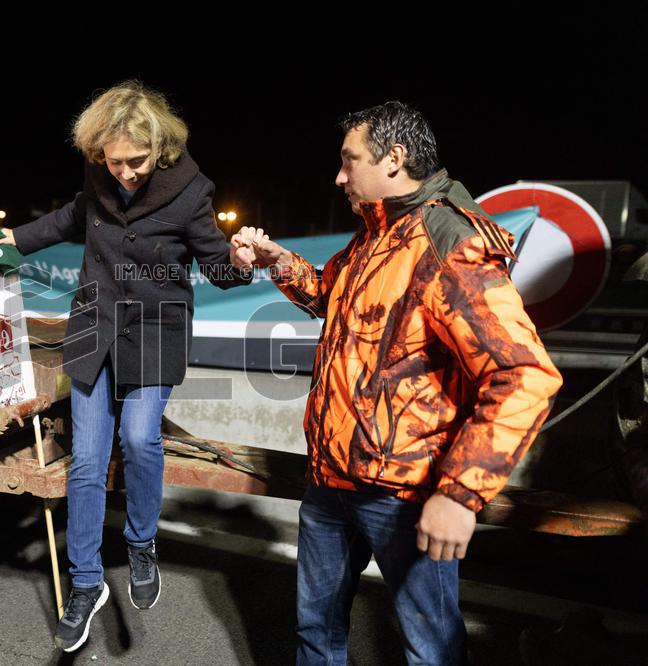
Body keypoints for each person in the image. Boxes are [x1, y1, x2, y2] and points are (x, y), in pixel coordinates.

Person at [231, 101, 563, 665]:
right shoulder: (376, 235)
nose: (339, 176)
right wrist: (276, 259)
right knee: (315, 631)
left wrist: (460, 493)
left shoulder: (446, 242)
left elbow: (523, 373)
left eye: (349, 161)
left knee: (429, 650)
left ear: (394, 158)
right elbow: (326, 292)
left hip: (403, 494)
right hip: (332, 480)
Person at [0, 81, 252, 652]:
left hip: (155, 332)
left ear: (157, 148)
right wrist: (2, 242)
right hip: (94, 327)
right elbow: (68, 220)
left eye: (136, 161)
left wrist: (239, 259)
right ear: (98, 154)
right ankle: (86, 583)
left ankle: (141, 543)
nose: (126, 173)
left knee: (140, 439)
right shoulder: (99, 177)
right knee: (86, 460)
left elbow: (217, 266)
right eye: (114, 162)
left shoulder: (190, 192)